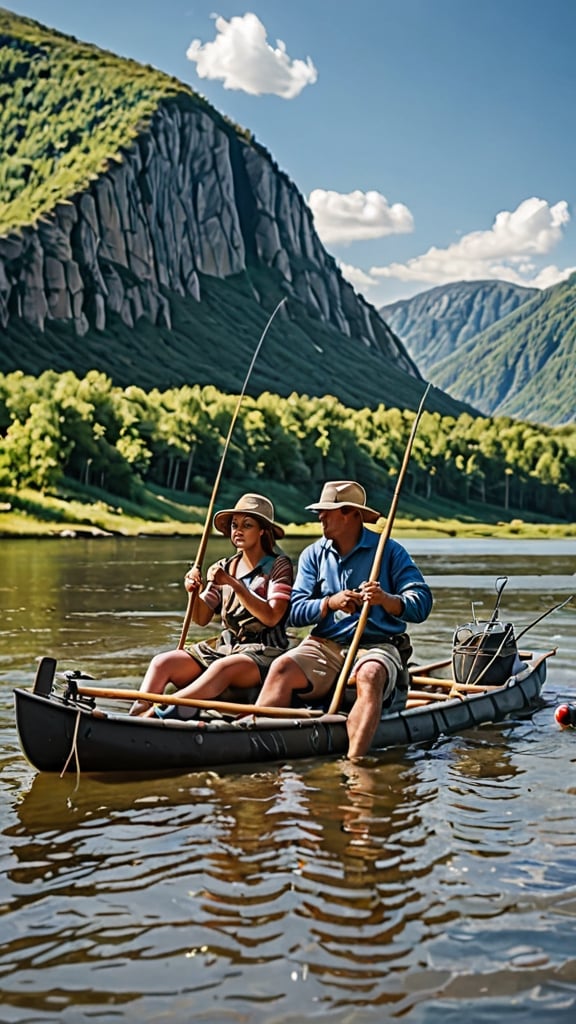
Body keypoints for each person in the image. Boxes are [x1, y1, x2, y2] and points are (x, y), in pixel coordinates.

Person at [256, 480, 433, 759]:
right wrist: (329, 603)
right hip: (324, 644)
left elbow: (421, 604)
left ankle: (354, 764)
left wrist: (386, 600)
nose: (320, 516)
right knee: (281, 668)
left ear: (351, 514)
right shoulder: (314, 554)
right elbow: (293, 613)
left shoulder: (388, 550)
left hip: (377, 644)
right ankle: (255, 746)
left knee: (370, 674)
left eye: (328, 510)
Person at [130, 494, 293, 716]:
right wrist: (193, 592)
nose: (238, 531)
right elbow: (202, 617)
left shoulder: (279, 566)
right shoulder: (224, 566)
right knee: (163, 662)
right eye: (235, 525)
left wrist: (234, 584)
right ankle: (135, 715)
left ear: (263, 530)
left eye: (247, 525)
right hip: (225, 647)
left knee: (221, 668)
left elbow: (273, 616)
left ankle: (156, 714)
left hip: (264, 652)